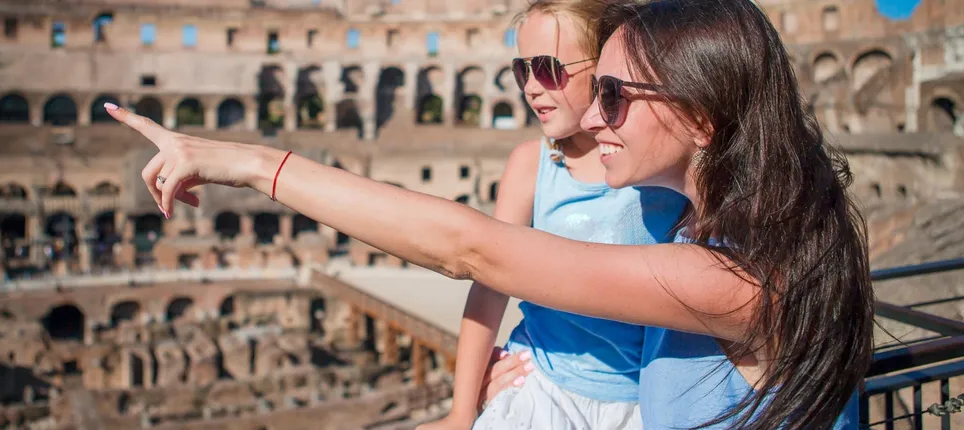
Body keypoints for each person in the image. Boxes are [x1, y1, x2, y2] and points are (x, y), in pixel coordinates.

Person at [104, 0, 873, 426]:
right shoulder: (734, 234)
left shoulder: (738, 278)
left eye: (611, 94)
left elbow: (475, 252)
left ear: (703, 117)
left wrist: (246, 163)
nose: (591, 116)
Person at [418, 1, 686, 429]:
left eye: (547, 68)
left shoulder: (661, 168)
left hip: (645, 399)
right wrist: (460, 412)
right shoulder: (531, 165)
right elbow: (488, 286)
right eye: (522, 70)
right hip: (541, 383)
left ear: (607, 66)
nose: (531, 87)